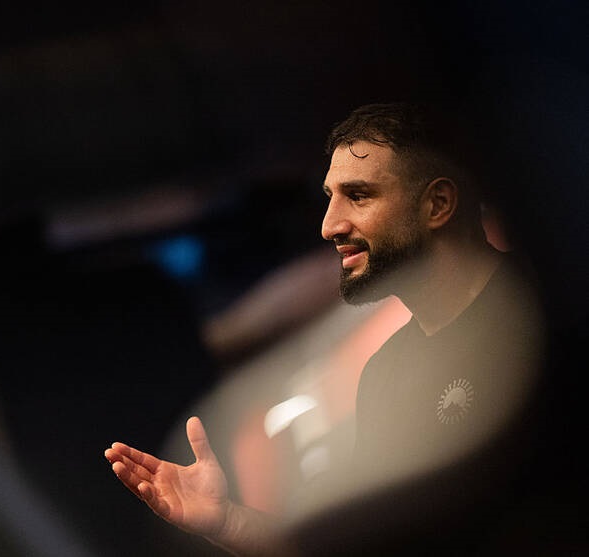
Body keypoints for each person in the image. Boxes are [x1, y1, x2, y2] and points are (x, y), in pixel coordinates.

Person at [103, 102, 544, 556]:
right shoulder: (385, 369)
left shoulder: (540, 319)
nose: (329, 226)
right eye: (330, 198)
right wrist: (227, 522)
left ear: (438, 204)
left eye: (358, 196)